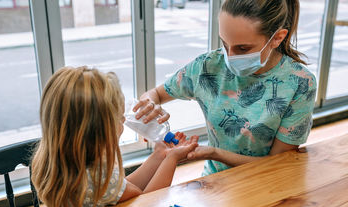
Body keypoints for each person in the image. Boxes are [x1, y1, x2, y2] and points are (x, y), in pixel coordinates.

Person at [133, 0, 317, 176]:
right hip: (214, 184)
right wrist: (149, 105)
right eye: (224, 43)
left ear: (277, 38)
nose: (229, 57)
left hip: (265, 185)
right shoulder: (208, 66)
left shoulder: (300, 83)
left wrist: (214, 153)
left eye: (243, 49)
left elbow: (277, 163)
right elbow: (156, 93)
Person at [31, 66, 198, 207]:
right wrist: (172, 159)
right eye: (119, 117)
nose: (124, 120)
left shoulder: (62, 164)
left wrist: (160, 155)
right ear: (98, 130)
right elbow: (145, 204)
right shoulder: (97, 175)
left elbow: (120, 189)